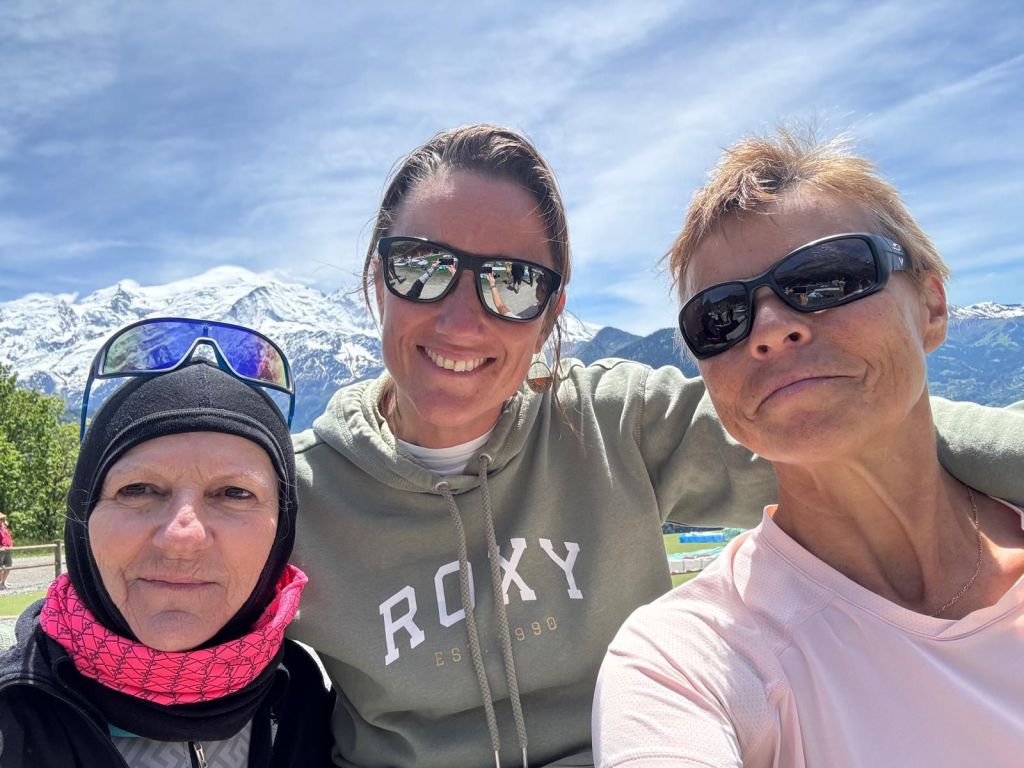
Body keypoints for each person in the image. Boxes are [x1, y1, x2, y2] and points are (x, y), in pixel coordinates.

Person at [287, 124, 1024, 768]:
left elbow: (842, 420)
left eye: (513, 283)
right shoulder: (285, 496)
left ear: (550, 317)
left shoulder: (613, 425)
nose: (461, 319)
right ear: (378, 279)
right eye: (422, 267)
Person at [593, 130, 1024, 767]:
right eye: (720, 318)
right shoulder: (686, 661)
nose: (769, 329)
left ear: (932, 307)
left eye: (826, 278)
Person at [0, 319, 334, 767]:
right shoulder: (13, 716)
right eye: (137, 489)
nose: (181, 538)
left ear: (282, 527)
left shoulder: (304, 697)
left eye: (235, 493)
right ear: (84, 513)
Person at [0, 513, 12, 589]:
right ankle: (1, 582)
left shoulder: (4, 526)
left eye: (2, 519)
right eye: (0, 519)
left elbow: (7, 537)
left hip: (8, 549)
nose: (2, 520)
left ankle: (3, 582)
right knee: (0, 567)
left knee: (9, 565)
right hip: (1, 550)